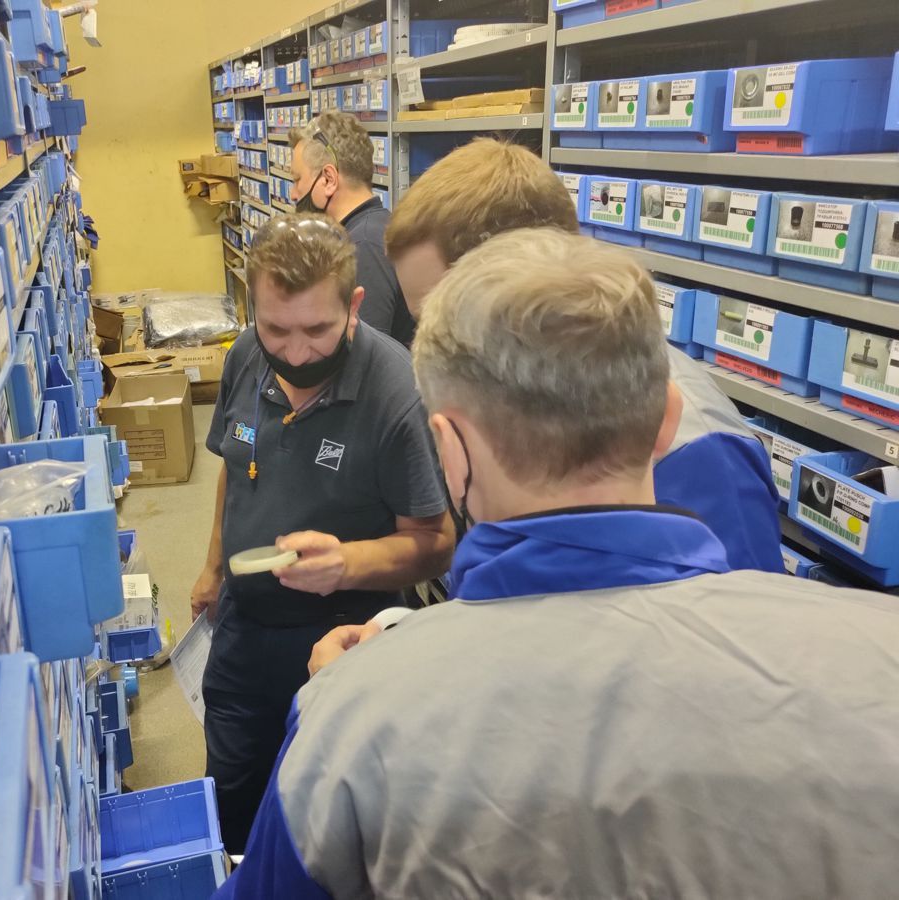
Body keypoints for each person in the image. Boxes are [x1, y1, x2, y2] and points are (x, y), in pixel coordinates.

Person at [217, 230, 899, 898]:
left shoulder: (350, 720)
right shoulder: (880, 650)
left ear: (449, 451)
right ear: (667, 421)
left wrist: (358, 691)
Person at [384, 138, 783, 573]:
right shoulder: (510, 403)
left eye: (438, 321)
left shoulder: (700, 452)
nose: (428, 347)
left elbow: (731, 607)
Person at [191, 213, 453, 854]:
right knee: (232, 802)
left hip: (346, 641)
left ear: (354, 306)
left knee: (331, 827)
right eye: (275, 328)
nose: (296, 353)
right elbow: (235, 467)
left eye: (317, 330)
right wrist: (214, 567)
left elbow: (436, 540)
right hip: (243, 632)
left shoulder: (397, 391)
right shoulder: (245, 356)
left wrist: (347, 563)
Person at [288, 112, 414, 345]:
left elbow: (363, 354)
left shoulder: (363, 247)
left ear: (328, 179)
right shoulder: (374, 227)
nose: (294, 194)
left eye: (297, 180)